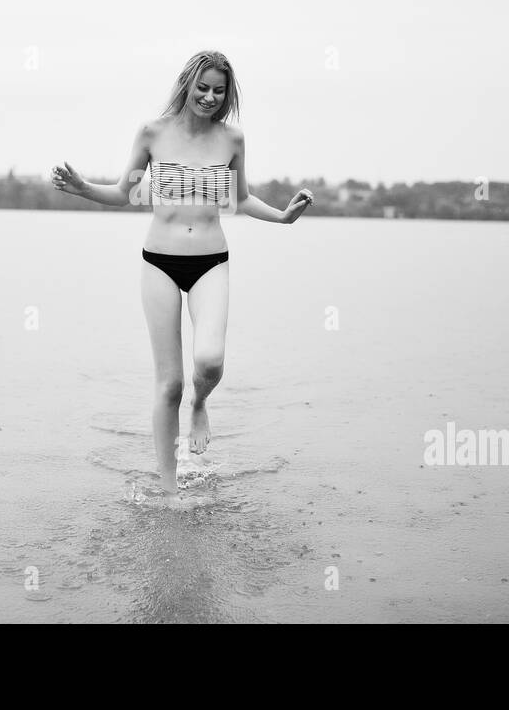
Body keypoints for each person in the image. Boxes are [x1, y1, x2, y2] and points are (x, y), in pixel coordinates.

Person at [52, 51, 313, 499]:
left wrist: (283, 217)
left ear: (227, 95)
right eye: (203, 87)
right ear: (187, 85)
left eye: (219, 91)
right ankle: (170, 492)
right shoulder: (153, 133)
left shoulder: (232, 139)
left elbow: (241, 199)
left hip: (211, 262)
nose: (210, 97)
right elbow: (123, 192)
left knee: (209, 360)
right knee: (169, 383)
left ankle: (201, 403)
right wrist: (82, 189)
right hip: (159, 262)